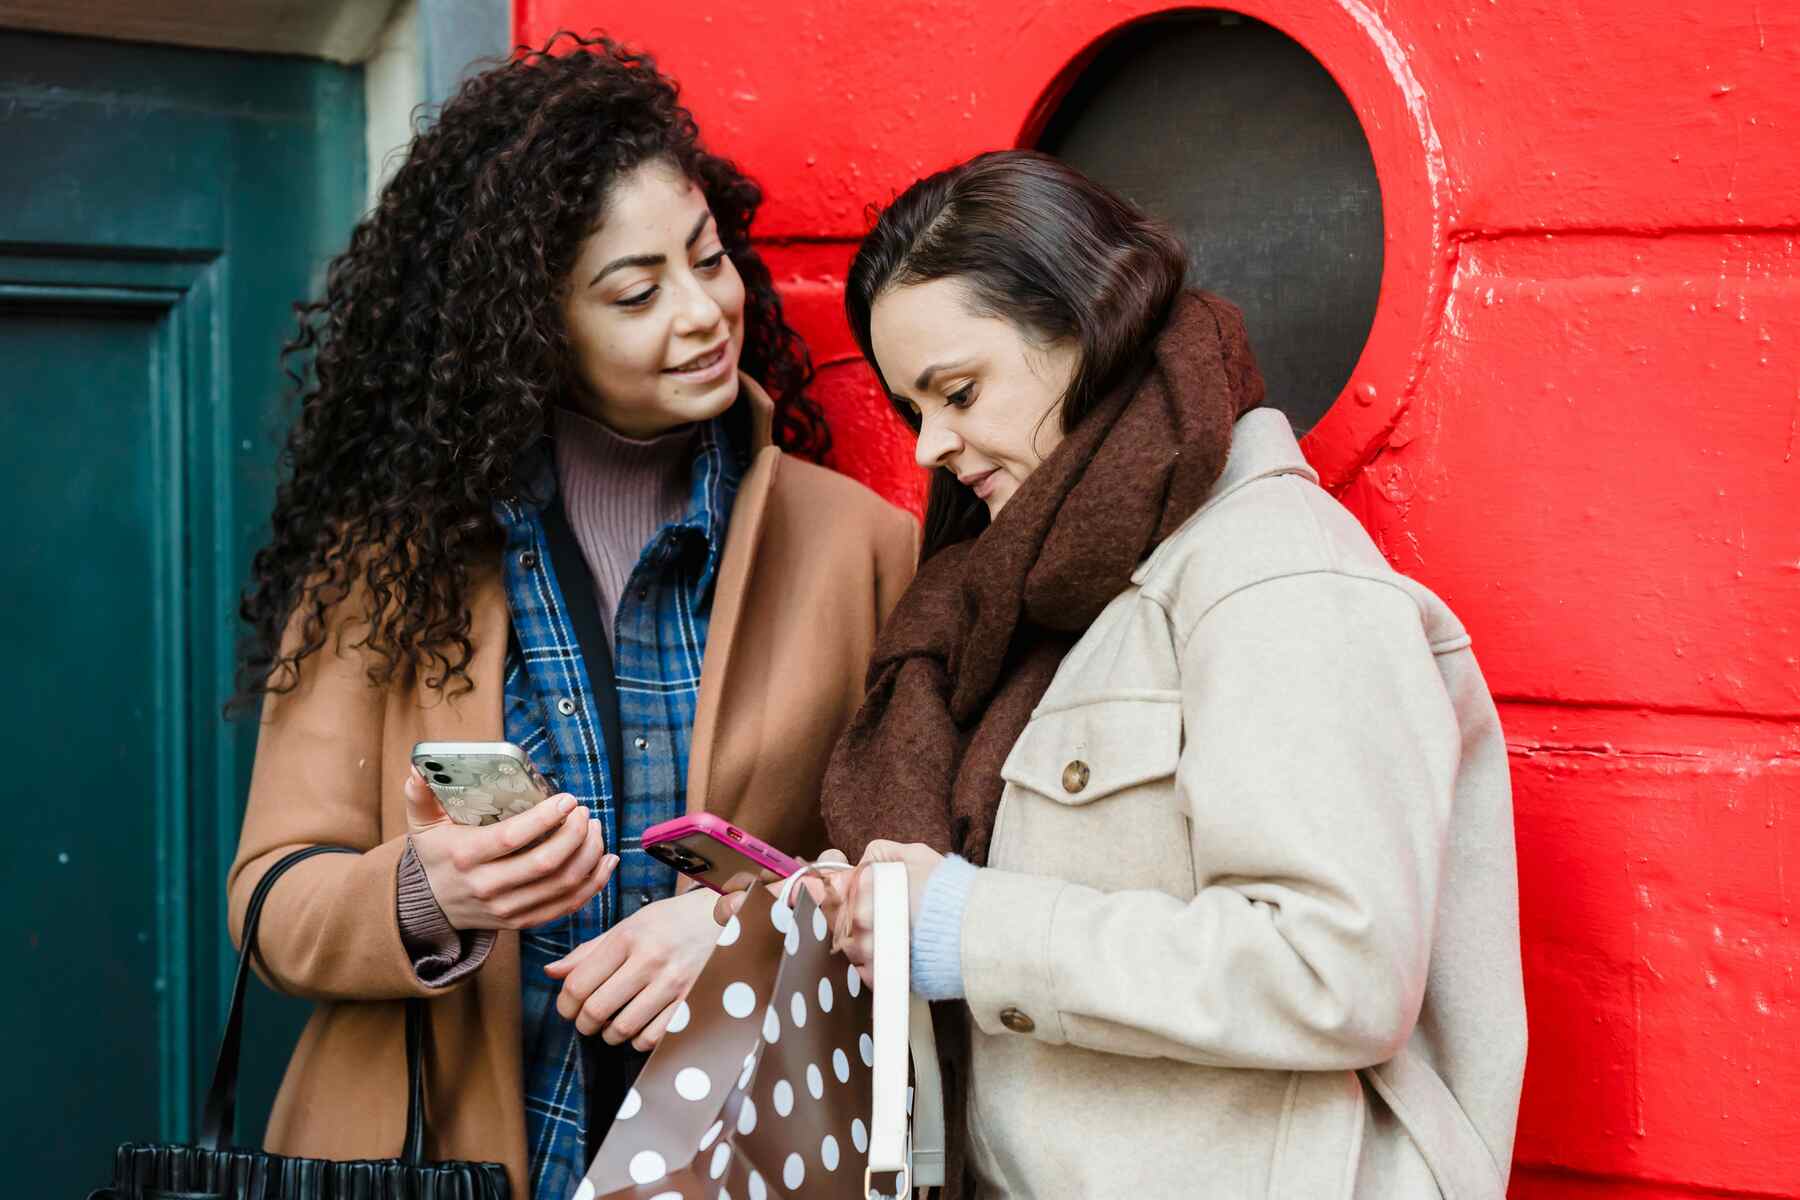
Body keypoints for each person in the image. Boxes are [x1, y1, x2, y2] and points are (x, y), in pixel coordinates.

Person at [225, 34, 916, 1200]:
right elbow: (269, 900)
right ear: (529, 327)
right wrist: (430, 893)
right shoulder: (388, 566)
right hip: (438, 1161)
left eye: (709, 259)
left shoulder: (864, 546)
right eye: (636, 293)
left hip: (738, 1159)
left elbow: (921, 877)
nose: (703, 313)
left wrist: (752, 930)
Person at [818, 150, 1526, 1198]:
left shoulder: (1269, 572)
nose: (929, 447)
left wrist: (973, 928)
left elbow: (1337, 968)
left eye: (958, 392)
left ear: (1088, 329)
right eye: (911, 408)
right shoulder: (1033, 594)